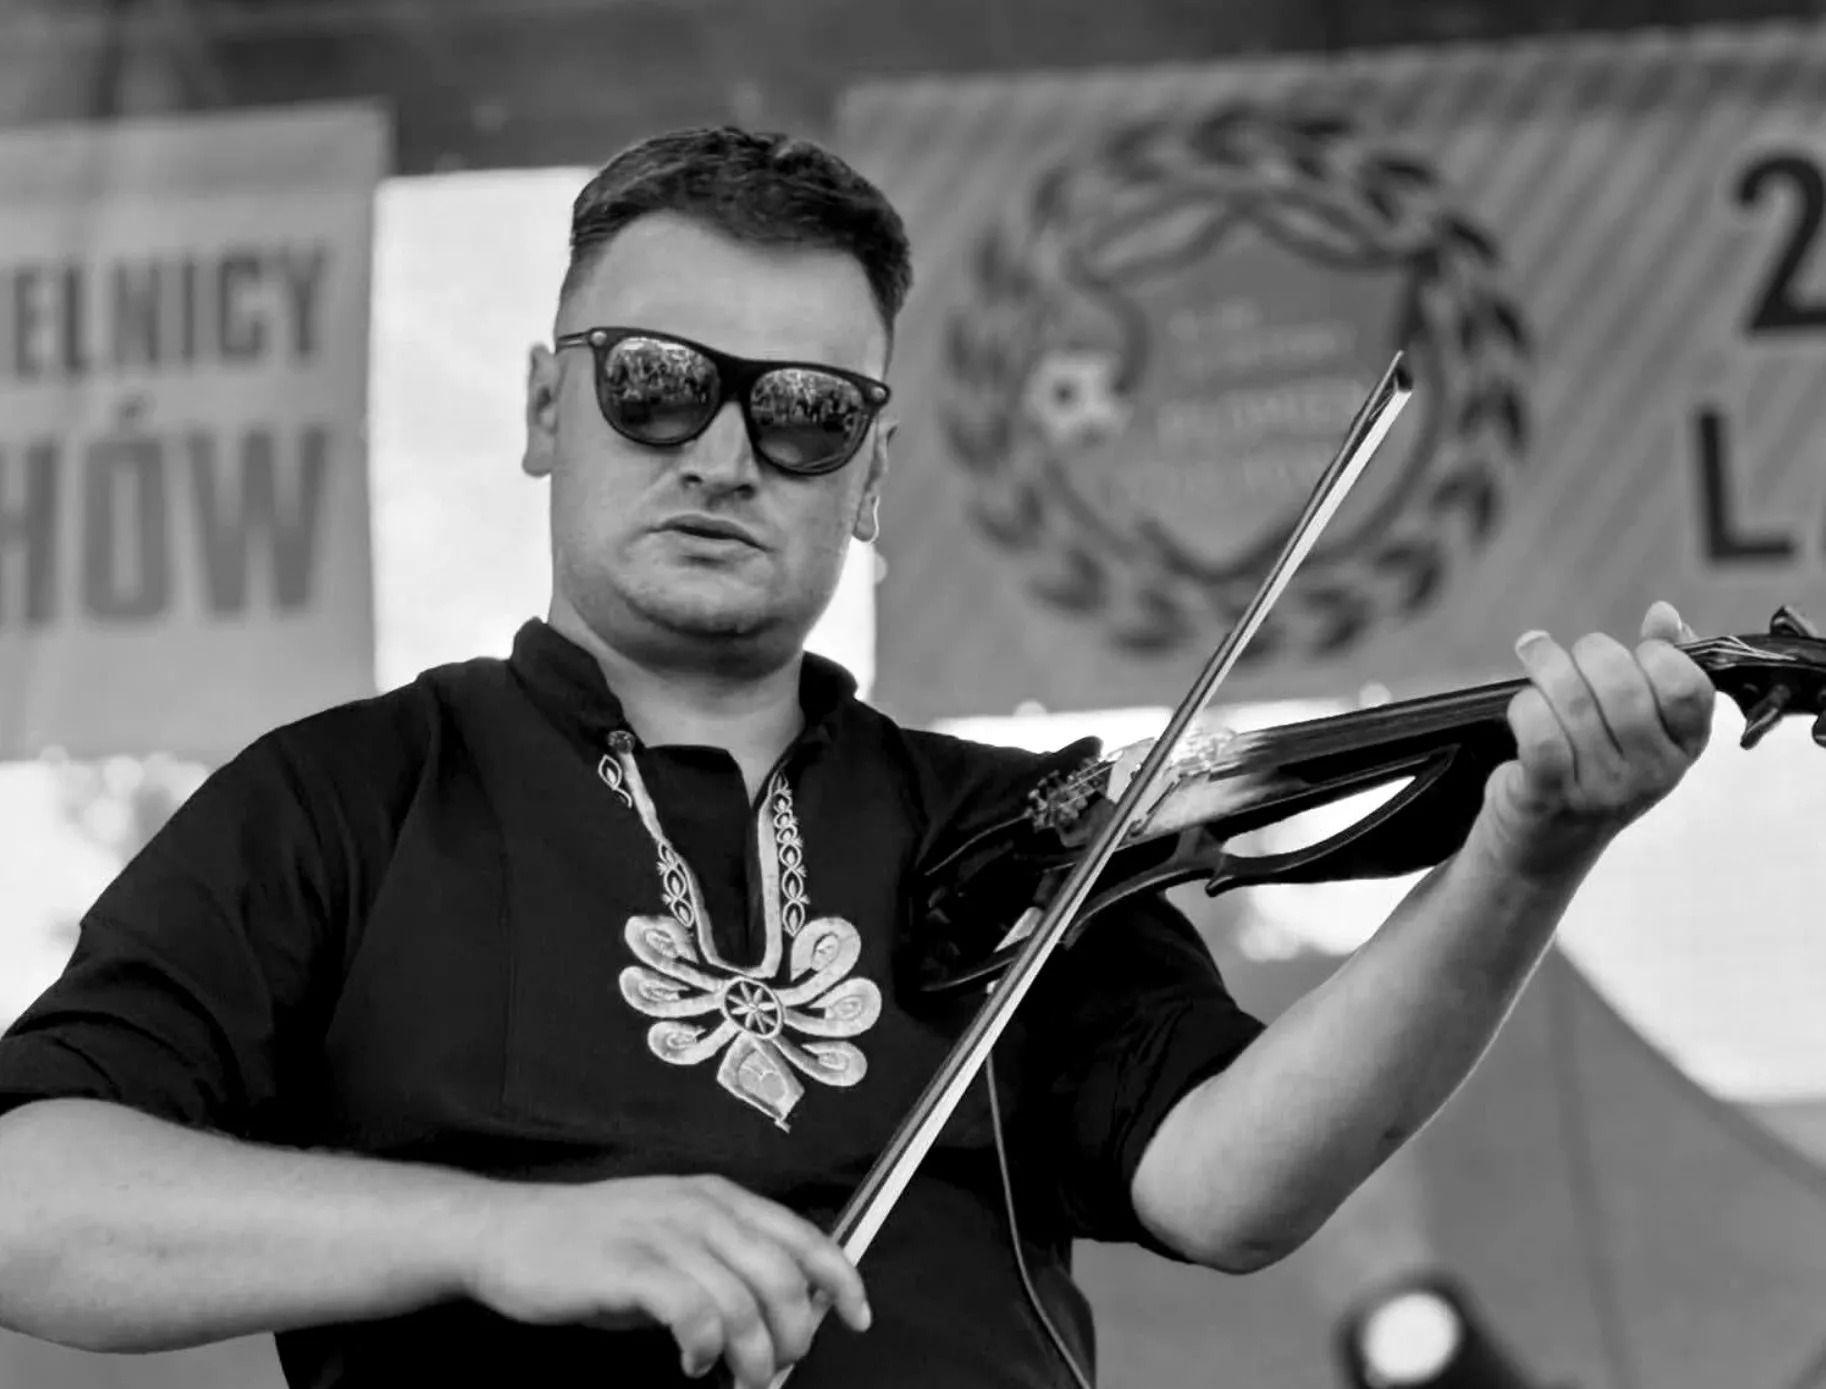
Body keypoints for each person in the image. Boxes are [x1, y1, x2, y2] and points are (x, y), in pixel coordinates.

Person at [0, 126, 1716, 1389]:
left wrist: (1523, 851)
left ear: (871, 478)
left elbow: (1228, 1185)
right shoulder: (345, 799)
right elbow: (30, 1203)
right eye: (654, 383)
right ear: (541, 411)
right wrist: (492, 1231)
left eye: (805, 412)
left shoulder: (1012, 826)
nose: (722, 453)